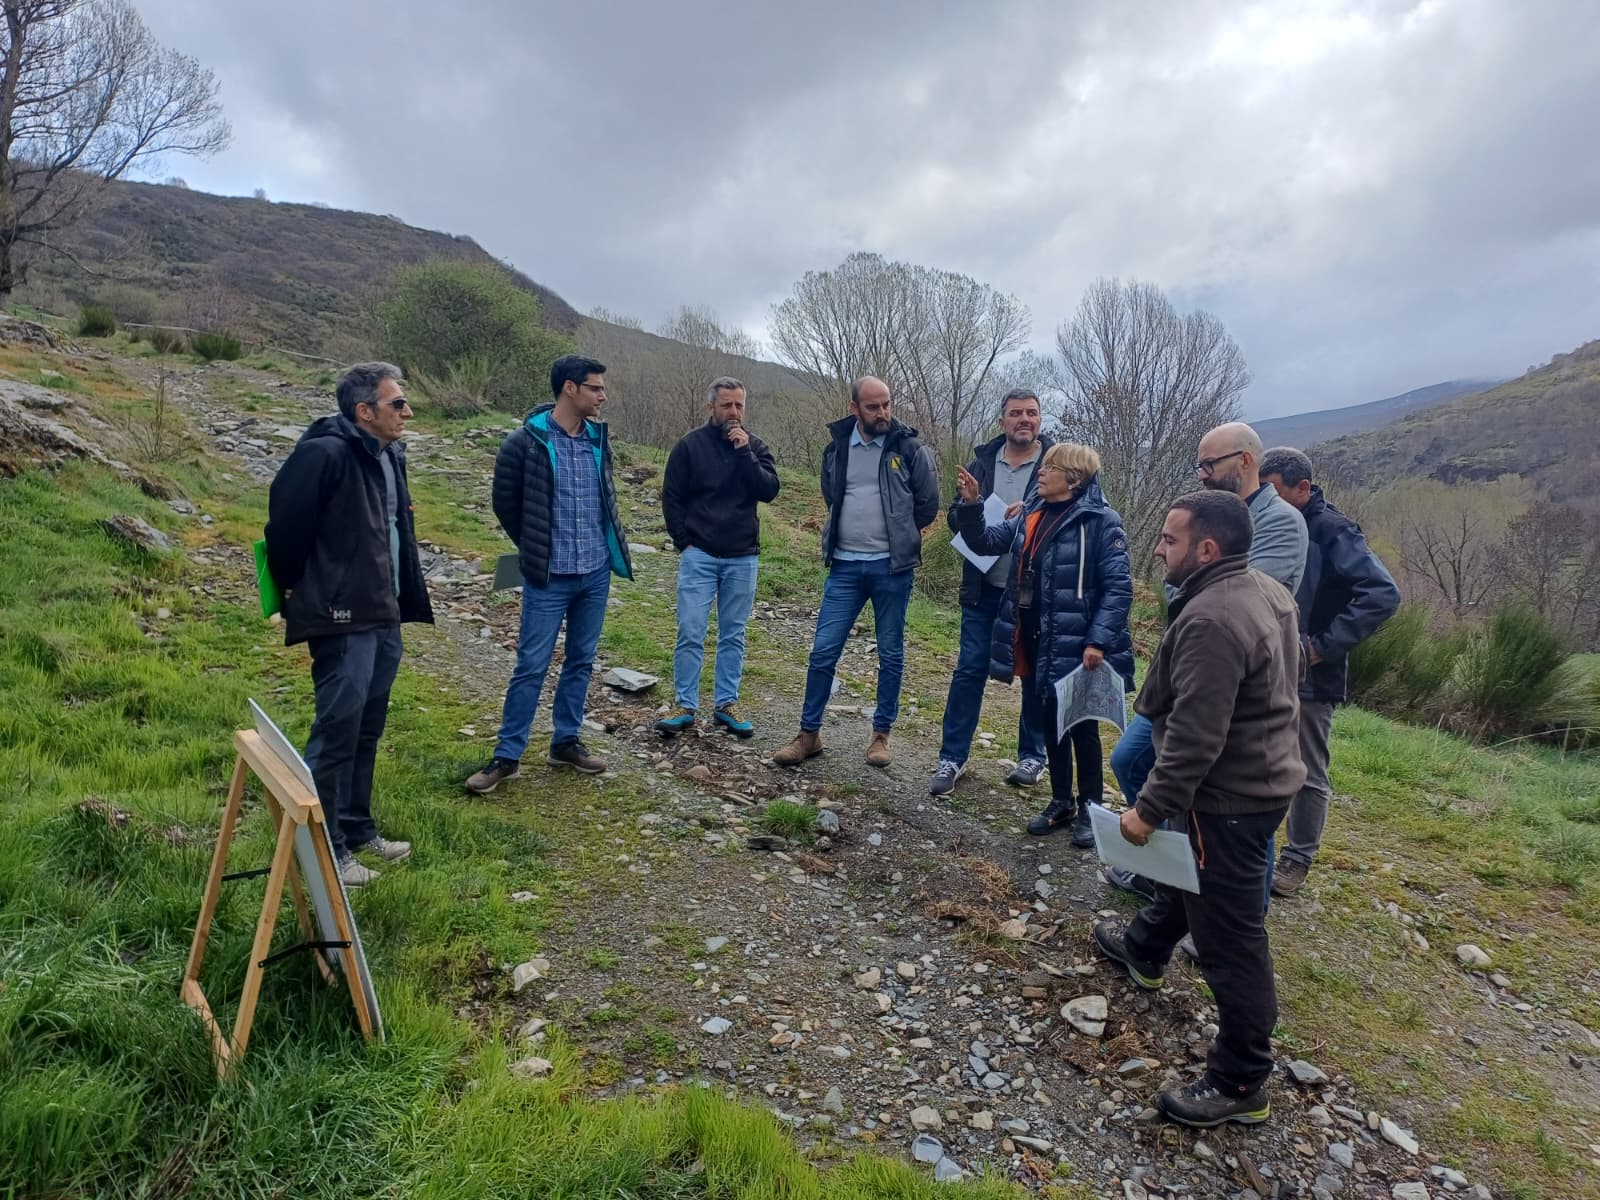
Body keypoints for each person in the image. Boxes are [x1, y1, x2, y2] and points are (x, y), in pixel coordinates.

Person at [1092, 490, 1305, 1128]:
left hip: (1231, 800)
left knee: (1232, 940)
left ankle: (1242, 1079)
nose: (1159, 548)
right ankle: (1145, 947)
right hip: (1256, 784)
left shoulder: (1215, 617)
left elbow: (1196, 736)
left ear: (1206, 549)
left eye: (1169, 539)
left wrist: (1147, 811)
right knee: (1192, 880)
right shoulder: (1264, 589)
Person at [1107, 420, 1308, 904]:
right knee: (1133, 758)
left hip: (1233, 686)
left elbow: (1238, 597)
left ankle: (1239, 905)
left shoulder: (1281, 522)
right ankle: (1169, 872)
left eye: (1209, 465)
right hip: (1191, 669)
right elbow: (1187, 585)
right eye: (1199, 466)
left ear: (1244, 461)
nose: (1201, 475)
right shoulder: (1205, 515)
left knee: (1235, 813)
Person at [264, 362, 434, 887]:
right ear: (364, 411)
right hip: (342, 616)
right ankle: (327, 850)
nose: (407, 412)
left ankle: (358, 829)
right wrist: (302, 591)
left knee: (367, 726)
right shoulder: (324, 453)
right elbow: (284, 531)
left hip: (383, 610)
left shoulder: (388, 454)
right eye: (396, 404)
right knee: (337, 731)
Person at [464, 355, 633, 794]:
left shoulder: (598, 439)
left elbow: (606, 498)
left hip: (594, 572)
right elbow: (506, 503)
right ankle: (506, 755)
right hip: (548, 575)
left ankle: (566, 742)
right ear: (570, 389)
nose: (603, 396)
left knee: (580, 660)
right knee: (531, 664)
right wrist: (535, 544)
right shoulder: (524, 442)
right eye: (595, 388)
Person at [953, 443, 1134, 843]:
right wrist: (972, 505)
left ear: (1073, 478)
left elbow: (1119, 589)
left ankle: (1091, 808)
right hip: (1034, 636)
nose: (1040, 471)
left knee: (1081, 727)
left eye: (1049, 467)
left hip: (1079, 643)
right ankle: (1061, 801)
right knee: (1050, 722)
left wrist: (1098, 640)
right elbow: (985, 542)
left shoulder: (1102, 521)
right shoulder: (1032, 512)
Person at [772, 376, 940, 769]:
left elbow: (928, 506)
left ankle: (881, 735)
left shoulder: (910, 449)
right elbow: (832, 495)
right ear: (854, 409)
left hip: (891, 569)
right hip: (845, 566)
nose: (883, 413)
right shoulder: (836, 450)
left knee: (891, 653)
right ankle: (808, 734)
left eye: (887, 405)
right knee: (823, 650)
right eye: (873, 407)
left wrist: (896, 535)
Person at [1260, 447, 1401, 896]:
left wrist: (1323, 646)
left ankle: (1298, 858)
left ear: (1303, 488)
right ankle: (1252, 845)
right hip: (1271, 663)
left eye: (1276, 492)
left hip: (1312, 674)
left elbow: (1383, 593)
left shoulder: (1333, 531)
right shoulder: (1279, 524)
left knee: (1306, 768)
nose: (1270, 500)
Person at [928, 389, 1053, 797]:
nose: (1024, 420)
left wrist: (1031, 515)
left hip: (1033, 592)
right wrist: (972, 506)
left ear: (1040, 420)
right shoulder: (981, 461)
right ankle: (952, 757)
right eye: (1016, 413)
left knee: (1034, 675)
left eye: (1031, 413)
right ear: (1002, 421)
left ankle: (1032, 756)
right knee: (969, 670)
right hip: (982, 586)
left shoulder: (1057, 463)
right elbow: (953, 517)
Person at [655, 377, 781, 738]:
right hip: (701, 554)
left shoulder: (755, 447)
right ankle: (685, 705)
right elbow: (672, 496)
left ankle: (726, 704)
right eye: (727, 405)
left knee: (733, 634)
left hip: (743, 557)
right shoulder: (689, 446)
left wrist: (744, 454)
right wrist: (684, 543)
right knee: (691, 629)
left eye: (739, 405)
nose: (734, 412)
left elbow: (769, 490)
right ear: (711, 406)